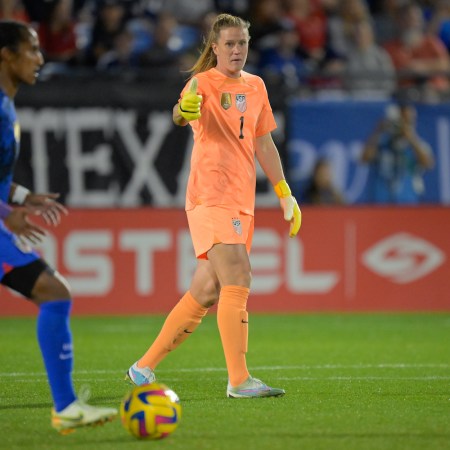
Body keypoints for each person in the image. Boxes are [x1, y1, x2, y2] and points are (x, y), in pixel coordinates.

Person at [126, 13, 301, 398]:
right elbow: (180, 111)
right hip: (210, 195)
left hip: (242, 200)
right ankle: (239, 380)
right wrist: (181, 112)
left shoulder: (256, 87)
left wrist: (284, 191)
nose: (237, 50)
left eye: (243, 43)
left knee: (206, 291)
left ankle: (143, 367)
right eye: (230, 44)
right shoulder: (202, 82)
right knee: (239, 276)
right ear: (215, 48)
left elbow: (264, 143)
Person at [0, 20, 117, 433]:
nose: (40, 58)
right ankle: (65, 407)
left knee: (54, 293)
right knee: (55, 292)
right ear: (7, 55)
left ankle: (66, 406)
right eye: (31, 50)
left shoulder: (7, 104)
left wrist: (19, 198)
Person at [360, 101, 434, 204]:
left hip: (408, 202)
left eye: (407, 122)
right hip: (380, 203)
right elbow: (364, 158)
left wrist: (411, 138)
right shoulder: (382, 145)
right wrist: (378, 131)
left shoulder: (419, 145)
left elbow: (428, 163)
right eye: (400, 121)